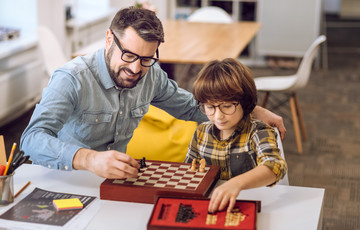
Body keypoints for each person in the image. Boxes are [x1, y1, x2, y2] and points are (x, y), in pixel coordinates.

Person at [20, 7, 285, 180]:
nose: (136, 68)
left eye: (147, 58)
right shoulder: (72, 79)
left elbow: (193, 108)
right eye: (129, 55)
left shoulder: (151, 74)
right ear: (109, 39)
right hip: (65, 179)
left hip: (115, 181)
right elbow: (31, 139)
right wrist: (88, 158)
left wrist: (251, 110)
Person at [184, 58, 288, 213]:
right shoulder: (201, 132)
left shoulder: (258, 132)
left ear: (245, 103)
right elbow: (188, 171)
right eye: (210, 107)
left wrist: (236, 183)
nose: (218, 116)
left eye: (227, 106)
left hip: (252, 205)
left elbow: (275, 166)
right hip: (213, 206)